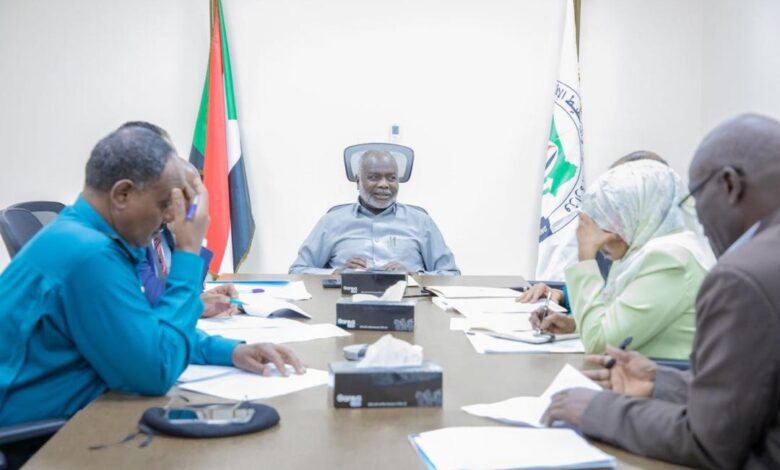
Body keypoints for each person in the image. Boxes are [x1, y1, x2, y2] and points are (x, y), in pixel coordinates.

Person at [0, 125, 305, 430]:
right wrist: (188, 250)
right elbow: (157, 371)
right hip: (36, 440)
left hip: (72, 418)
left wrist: (231, 351)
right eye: (164, 204)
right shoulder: (90, 255)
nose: (170, 217)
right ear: (122, 194)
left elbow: (146, 329)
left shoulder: (88, 236)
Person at [543, 114, 780, 468]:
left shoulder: (742, 276)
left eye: (694, 196)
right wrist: (663, 382)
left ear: (730, 185)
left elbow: (709, 441)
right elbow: (751, 391)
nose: (694, 215)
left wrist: (599, 410)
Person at [525, 160, 715, 359]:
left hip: (659, 376)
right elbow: (622, 325)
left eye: (610, 221)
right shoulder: (646, 252)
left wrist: (586, 257)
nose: (602, 235)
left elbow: (599, 344)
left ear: (638, 213)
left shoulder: (670, 260)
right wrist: (574, 326)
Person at [118, 121, 239, 318]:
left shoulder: (159, 228)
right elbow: (158, 304)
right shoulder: (121, 234)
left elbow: (180, 294)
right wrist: (189, 244)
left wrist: (199, 300)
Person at [289, 150, 459, 274]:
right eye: (374, 177)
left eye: (392, 178)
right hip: (346, 302)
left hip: (408, 302)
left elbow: (450, 274)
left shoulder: (421, 222)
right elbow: (298, 271)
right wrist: (337, 273)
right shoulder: (331, 222)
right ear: (358, 181)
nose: (384, 184)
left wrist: (414, 277)